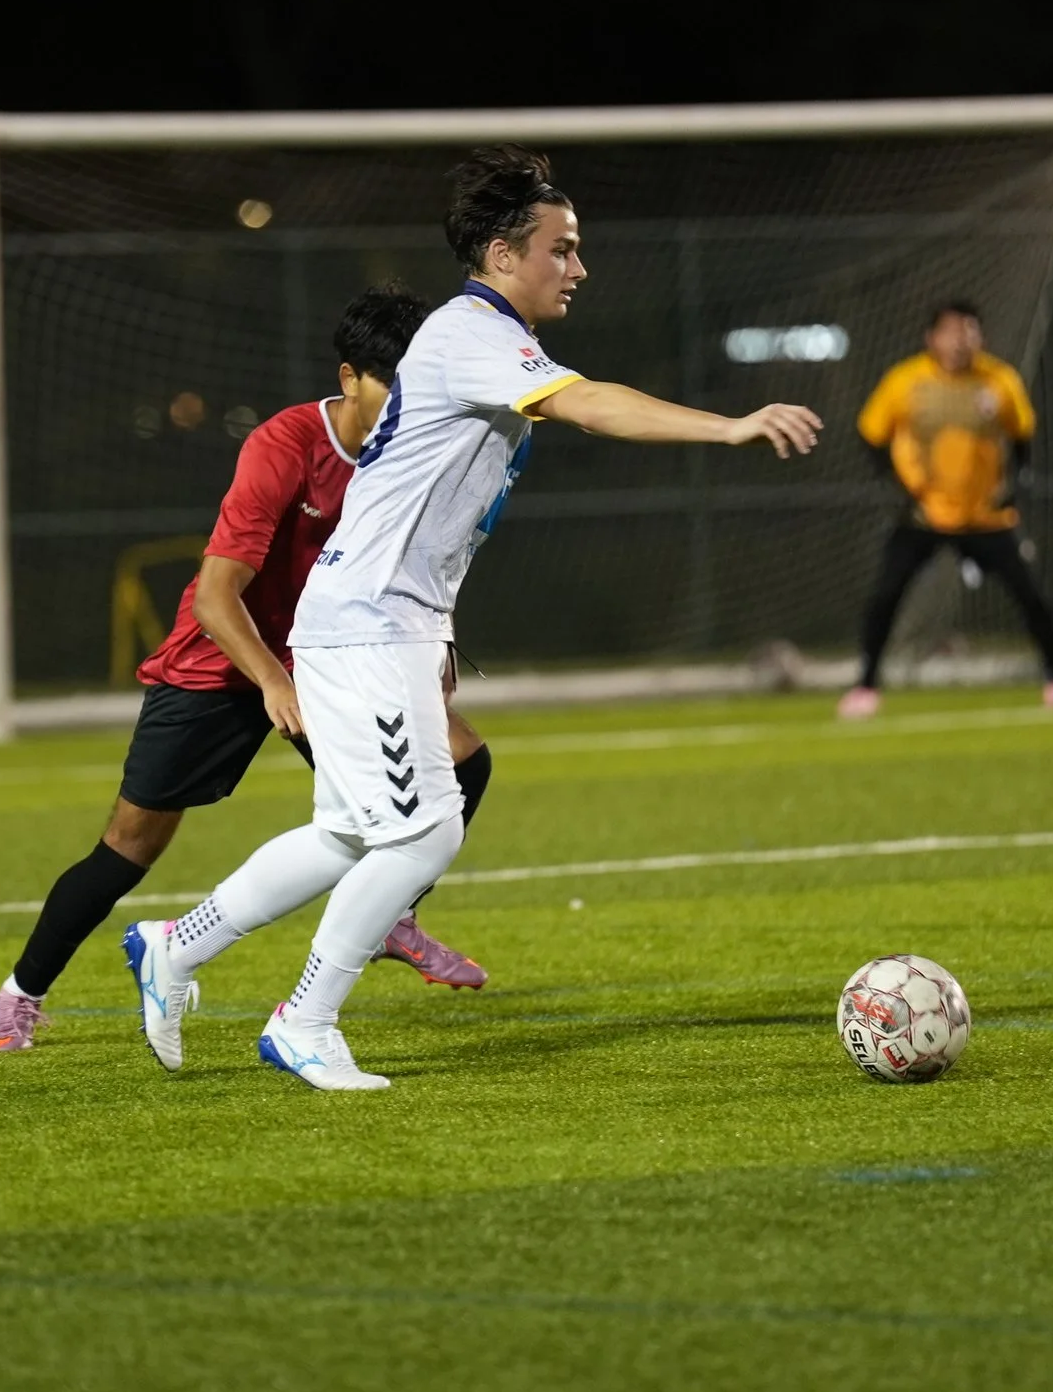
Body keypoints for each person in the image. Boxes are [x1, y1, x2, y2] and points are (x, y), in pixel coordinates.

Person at [123, 145, 823, 1089]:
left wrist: (437, 634)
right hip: (366, 621)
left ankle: (176, 945)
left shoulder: (482, 339)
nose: (577, 267)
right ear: (501, 255)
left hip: (377, 620)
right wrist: (728, 424)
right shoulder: (470, 333)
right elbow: (588, 404)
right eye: (561, 249)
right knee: (426, 830)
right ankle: (305, 1021)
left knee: (348, 833)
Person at [0, 285, 492, 1054]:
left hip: (334, 658)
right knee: (129, 845)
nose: (403, 399)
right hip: (218, 661)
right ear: (350, 377)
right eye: (390, 380)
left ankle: (391, 918)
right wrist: (273, 683)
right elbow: (217, 596)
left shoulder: (410, 449)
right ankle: (21, 994)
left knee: (459, 764)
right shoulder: (285, 444)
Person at [837, 301, 1053, 718]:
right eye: (951, 331)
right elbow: (871, 434)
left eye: (969, 330)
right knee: (885, 596)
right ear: (932, 338)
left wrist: (1016, 485)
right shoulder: (906, 380)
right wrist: (900, 491)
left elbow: (1021, 437)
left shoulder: (999, 380)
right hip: (923, 515)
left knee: (1033, 597)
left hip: (985, 517)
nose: (960, 340)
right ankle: (865, 687)